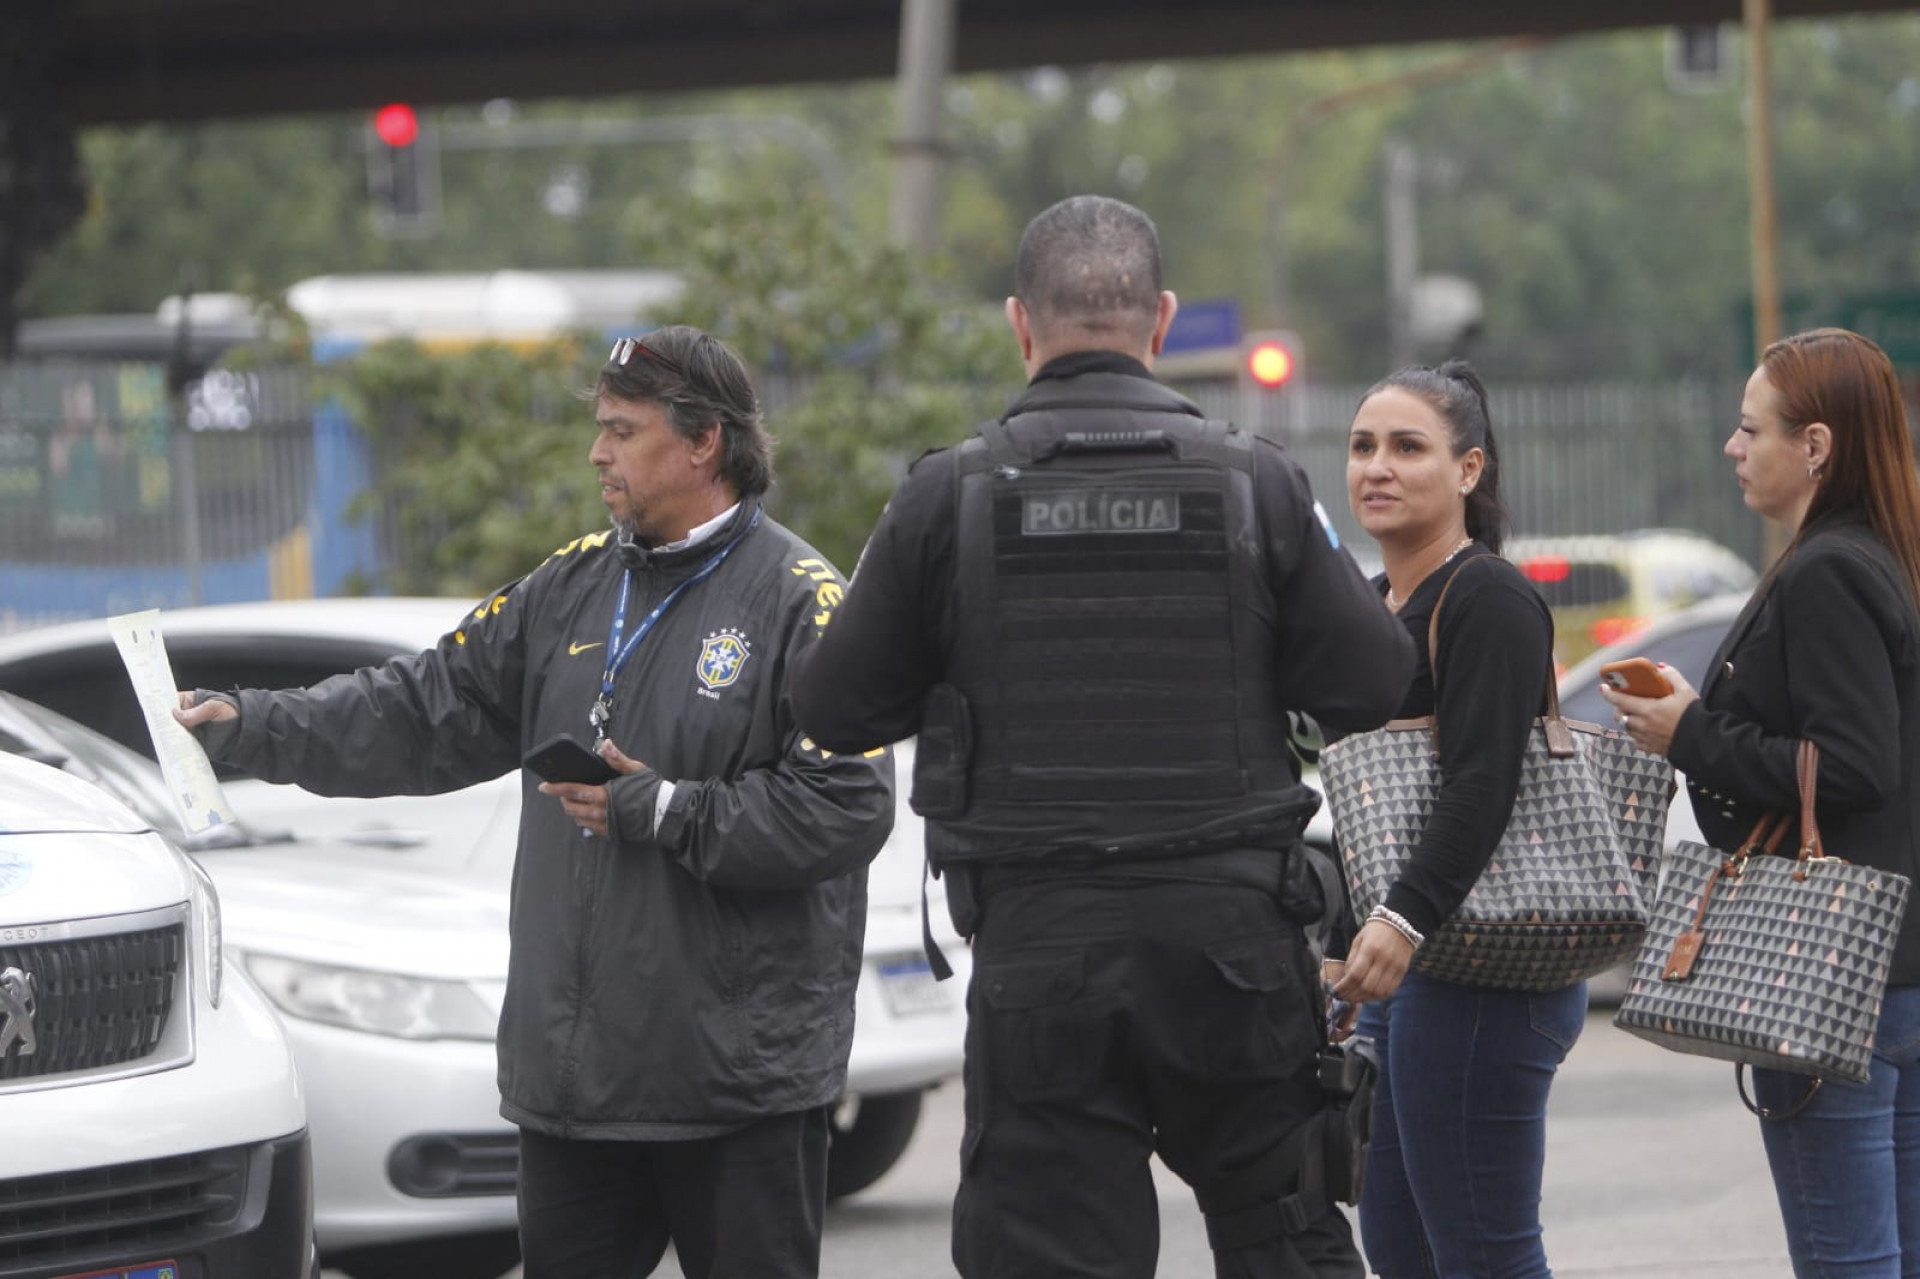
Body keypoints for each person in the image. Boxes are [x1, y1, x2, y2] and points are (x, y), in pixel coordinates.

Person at [174, 325, 895, 1279]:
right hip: (574, 1088)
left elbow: (846, 805)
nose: (597, 452)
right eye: (598, 428)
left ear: (703, 442)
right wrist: (248, 724)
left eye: (621, 430)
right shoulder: (572, 583)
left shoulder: (802, 600)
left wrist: (665, 809)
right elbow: (422, 707)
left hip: (737, 1090)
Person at [788, 194, 1414, 1279]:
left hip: (1044, 953)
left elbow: (833, 709)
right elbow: (1373, 681)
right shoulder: (1257, 482)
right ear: (1161, 321)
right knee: (1287, 1239)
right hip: (1234, 947)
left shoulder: (948, 497)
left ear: (1019, 325)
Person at [1603, 327, 1920, 1278]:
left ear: (1814, 446)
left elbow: (1857, 765)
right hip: (1896, 970)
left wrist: (1691, 733)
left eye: (1751, 431)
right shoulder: (1888, 557)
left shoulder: (1828, 569)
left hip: (1829, 971)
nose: (1734, 449)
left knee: (1848, 1259)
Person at [1331, 360, 1580, 1279]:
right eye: (1363, 447)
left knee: (1485, 1251)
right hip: (1409, 974)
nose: (1377, 468)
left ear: (1469, 470)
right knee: (1399, 1244)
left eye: (1408, 447)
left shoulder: (1488, 598)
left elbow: (1483, 784)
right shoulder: (1370, 599)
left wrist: (1400, 916)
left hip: (1485, 967)